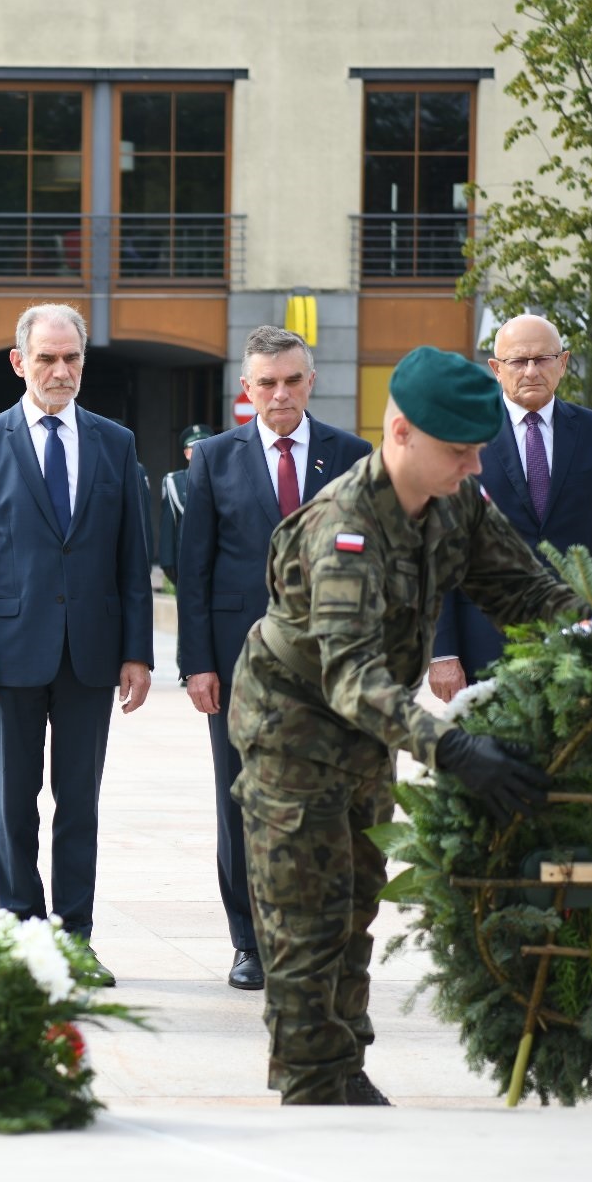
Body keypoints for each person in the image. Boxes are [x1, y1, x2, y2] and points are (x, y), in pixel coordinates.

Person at [230, 346, 583, 1106]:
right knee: (304, 917)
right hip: (294, 732)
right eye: (459, 451)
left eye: (478, 449)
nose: (475, 466)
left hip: (365, 732)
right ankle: (310, 1082)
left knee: (356, 899)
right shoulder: (344, 531)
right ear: (400, 433)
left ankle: (344, 1066)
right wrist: (453, 748)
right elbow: (350, 673)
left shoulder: (453, 504)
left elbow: (525, 589)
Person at [0, 303, 154, 987]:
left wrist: (138, 651)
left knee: (79, 801)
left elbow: (133, 556)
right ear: (19, 362)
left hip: (91, 654)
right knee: (14, 802)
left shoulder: (115, 443)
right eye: (47, 359)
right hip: (7, 656)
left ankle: (74, 936)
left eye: (71, 359)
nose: (61, 371)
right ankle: (20, 929)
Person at [178, 327, 372, 992]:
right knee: (242, 802)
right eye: (267, 382)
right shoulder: (212, 460)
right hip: (241, 665)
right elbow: (193, 571)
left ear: (310, 381)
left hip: (329, 665)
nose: (281, 393)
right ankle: (250, 942)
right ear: (247, 389)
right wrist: (196, 663)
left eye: (292, 380)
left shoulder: (352, 457)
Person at [429, 314, 592, 702]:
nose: (530, 371)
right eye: (517, 361)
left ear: (563, 363)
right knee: (492, 757)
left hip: (579, 634)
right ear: (495, 368)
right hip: (485, 639)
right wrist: (443, 651)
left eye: (542, 359)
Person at [156, 423, 214, 589]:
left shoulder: (224, 478)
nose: (200, 451)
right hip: (188, 564)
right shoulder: (174, 481)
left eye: (205, 446)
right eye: (194, 448)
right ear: (186, 453)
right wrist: (169, 564)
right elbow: (168, 525)